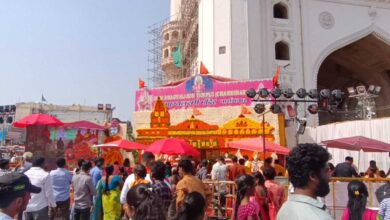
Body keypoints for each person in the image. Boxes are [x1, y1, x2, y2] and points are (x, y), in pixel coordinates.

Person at [277, 143, 333, 220]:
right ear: (313, 176)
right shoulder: (320, 217)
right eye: (326, 171)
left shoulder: (284, 209)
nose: (330, 178)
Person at [121, 152, 155, 217]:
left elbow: (122, 199)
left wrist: (130, 214)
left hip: (134, 215)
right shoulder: (151, 180)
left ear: (136, 175)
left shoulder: (130, 179)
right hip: (148, 215)